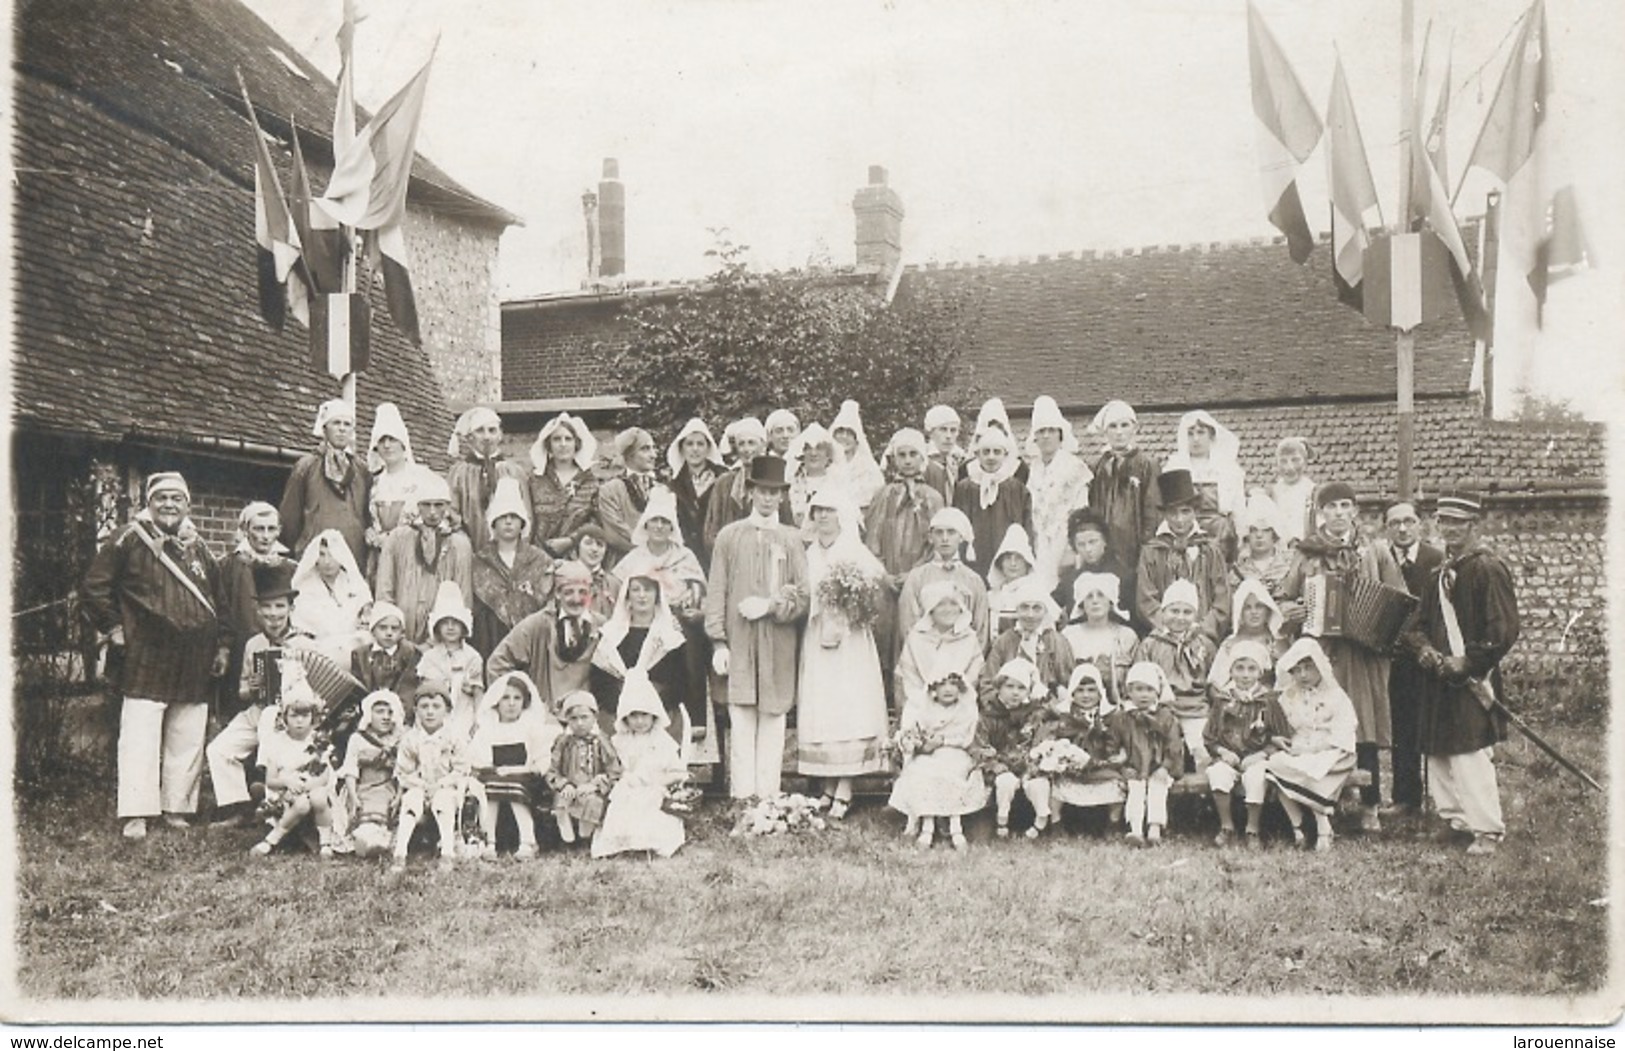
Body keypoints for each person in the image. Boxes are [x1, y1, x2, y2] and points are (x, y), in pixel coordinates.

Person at [82, 471, 230, 841]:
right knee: (140, 733)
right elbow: (94, 587)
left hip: (195, 655)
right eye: (161, 498)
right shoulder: (128, 540)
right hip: (146, 652)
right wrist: (114, 629)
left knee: (188, 731)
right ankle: (136, 812)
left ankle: (176, 807)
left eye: (176, 499)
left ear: (187, 505)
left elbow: (219, 600)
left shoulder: (198, 548)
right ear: (148, 503)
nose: (169, 505)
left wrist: (223, 644)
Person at [1279, 480, 1405, 832]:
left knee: (1363, 723)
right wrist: (1298, 611)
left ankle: (1370, 805)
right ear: (1320, 513)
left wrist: (1380, 626)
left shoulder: (1376, 551)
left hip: (1363, 653)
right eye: (1331, 507)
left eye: (1345, 506)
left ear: (1355, 512)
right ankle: (1323, 799)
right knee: (1321, 719)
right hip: (1323, 653)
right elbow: (1286, 598)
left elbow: (1400, 600)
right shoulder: (1307, 553)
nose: (1338, 514)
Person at [1403, 492, 1519, 856]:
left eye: (1459, 522)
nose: (1450, 529)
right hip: (1438, 677)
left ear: (1475, 525)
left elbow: (1503, 631)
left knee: (1470, 753)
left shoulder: (1487, 568)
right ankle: (1455, 820)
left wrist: (1468, 663)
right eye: (1444, 522)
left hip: (1471, 679)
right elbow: (1415, 625)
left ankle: (1486, 829)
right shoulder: (1438, 574)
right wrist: (1423, 650)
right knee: (1438, 751)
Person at [705, 455, 810, 800]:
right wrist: (718, 642)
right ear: (751, 492)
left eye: (774, 492)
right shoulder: (730, 537)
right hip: (739, 638)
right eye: (761, 491)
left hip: (778, 641)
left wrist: (771, 605)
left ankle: (768, 797)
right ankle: (743, 798)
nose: (767, 498)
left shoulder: (792, 539)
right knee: (742, 716)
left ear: (782, 496)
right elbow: (717, 588)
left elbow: (803, 595)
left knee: (773, 718)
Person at [797, 486, 889, 818]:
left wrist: (849, 606)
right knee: (823, 705)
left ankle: (847, 785)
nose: (822, 516)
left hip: (849, 644)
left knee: (849, 705)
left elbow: (876, 592)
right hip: (817, 639)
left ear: (842, 514)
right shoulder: (808, 553)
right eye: (817, 510)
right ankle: (828, 782)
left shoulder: (855, 550)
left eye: (829, 509)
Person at [205, 560, 314, 828]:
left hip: (293, 717)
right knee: (219, 749)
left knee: (269, 720)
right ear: (258, 610)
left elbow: (319, 691)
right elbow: (243, 692)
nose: (273, 614)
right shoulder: (254, 644)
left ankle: (270, 806)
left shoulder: (305, 643)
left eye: (280, 607)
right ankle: (239, 808)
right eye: (267, 607)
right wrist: (251, 687)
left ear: (291, 609)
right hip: (257, 710)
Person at [609, 488, 708, 732]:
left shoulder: (684, 556)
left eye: (665, 522)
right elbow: (616, 591)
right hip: (642, 622)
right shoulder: (635, 558)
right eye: (655, 521)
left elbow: (700, 592)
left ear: (672, 527)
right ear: (646, 524)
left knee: (690, 650)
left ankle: (692, 721)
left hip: (678, 621)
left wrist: (693, 609)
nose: (660, 527)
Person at [1264, 638, 1359, 852]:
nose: (1303, 675)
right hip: (1300, 748)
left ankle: (1322, 827)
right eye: (1296, 670)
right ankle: (1300, 827)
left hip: (1333, 751)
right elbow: (1280, 727)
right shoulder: (1289, 696)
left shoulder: (1336, 696)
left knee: (1313, 772)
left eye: (1308, 668)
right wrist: (1277, 739)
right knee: (1273, 766)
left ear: (1320, 667)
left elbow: (1343, 733)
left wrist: (1311, 750)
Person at [865, 427, 946, 678]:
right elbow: (872, 538)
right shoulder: (883, 495)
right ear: (894, 459)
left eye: (913, 454)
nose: (908, 460)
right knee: (883, 631)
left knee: (914, 631)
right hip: (886, 579)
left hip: (919, 576)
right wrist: (883, 573)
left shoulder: (933, 498)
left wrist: (915, 573)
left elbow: (937, 543)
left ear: (923, 458)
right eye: (902, 455)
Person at [1385, 499, 1446, 816]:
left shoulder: (1437, 559)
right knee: (1403, 727)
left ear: (1421, 525)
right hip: (1394, 658)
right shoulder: (1382, 560)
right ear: (1386, 528)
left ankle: (1442, 798)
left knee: (1435, 726)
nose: (1403, 528)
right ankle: (1406, 798)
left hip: (1428, 655)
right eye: (1395, 523)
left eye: (1408, 521)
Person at [488, 560, 603, 723]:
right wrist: (527, 705)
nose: (576, 599)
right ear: (557, 593)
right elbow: (497, 664)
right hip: (545, 720)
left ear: (591, 594)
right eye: (569, 592)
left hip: (585, 720)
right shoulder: (538, 624)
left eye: (583, 592)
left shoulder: (601, 627)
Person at [592, 670, 691, 859]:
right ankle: (622, 841)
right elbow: (613, 767)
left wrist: (658, 781)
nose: (639, 721)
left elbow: (678, 772)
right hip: (627, 785)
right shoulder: (620, 741)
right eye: (633, 715)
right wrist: (620, 778)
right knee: (622, 801)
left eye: (644, 715)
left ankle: (649, 841)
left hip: (655, 786)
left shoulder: (662, 740)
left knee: (649, 802)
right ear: (625, 717)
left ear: (654, 715)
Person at [888, 670, 987, 851]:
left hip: (956, 752)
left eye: (953, 684)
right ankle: (928, 825)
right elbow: (914, 734)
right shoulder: (925, 709)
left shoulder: (965, 710)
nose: (948, 689)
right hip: (930, 753)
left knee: (951, 772)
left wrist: (944, 741)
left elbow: (966, 738)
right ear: (933, 688)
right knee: (923, 772)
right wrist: (919, 744)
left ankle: (956, 827)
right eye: (942, 685)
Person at [590, 573, 691, 751]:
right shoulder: (610, 635)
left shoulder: (670, 637)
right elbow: (599, 681)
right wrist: (624, 708)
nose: (642, 595)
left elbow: (680, 683)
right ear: (627, 596)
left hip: (661, 714)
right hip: (617, 713)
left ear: (657, 595)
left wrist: (649, 709)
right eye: (635, 590)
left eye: (648, 589)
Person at [1204, 641, 1288, 849]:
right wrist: (1222, 751)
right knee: (1218, 774)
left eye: (1251, 669)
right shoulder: (1223, 700)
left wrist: (1262, 754)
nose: (1245, 674)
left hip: (1256, 757)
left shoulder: (1268, 700)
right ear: (1230, 670)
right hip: (1229, 756)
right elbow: (1209, 736)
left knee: (1256, 777)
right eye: (1239, 668)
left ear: (1260, 672)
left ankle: (1252, 829)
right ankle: (1227, 826)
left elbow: (1281, 736)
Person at [375, 473, 474, 644]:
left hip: (443, 639)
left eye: (439, 505)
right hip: (400, 635)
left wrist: (440, 639)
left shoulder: (459, 544)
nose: (433, 512)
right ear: (418, 506)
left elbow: (463, 597)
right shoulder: (397, 539)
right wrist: (394, 631)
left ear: (448, 506)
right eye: (426, 505)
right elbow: (385, 590)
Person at [216, 501, 294, 719]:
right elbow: (221, 608)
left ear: (279, 531)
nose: (265, 535)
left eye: (271, 529)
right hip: (240, 645)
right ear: (245, 530)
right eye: (259, 528)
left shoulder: (289, 567)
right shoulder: (229, 565)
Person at [469, 671, 558, 859]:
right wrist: (495, 771)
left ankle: (528, 841)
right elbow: (479, 761)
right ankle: (489, 841)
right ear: (496, 702)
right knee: (490, 789)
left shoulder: (531, 727)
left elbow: (541, 762)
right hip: (494, 777)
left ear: (524, 702)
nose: (511, 703)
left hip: (526, 780)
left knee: (513, 787)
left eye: (517, 698)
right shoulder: (488, 728)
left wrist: (516, 770)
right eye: (505, 698)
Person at [1136, 468, 1231, 641]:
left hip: (1202, 637)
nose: (1179, 519)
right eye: (1173, 512)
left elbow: (1222, 600)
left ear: (1195, 511)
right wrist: (1169, 629)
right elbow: (1146, 599)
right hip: (1164, 637)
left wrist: (1201, 630)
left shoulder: (1209, 550)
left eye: (1185, 511)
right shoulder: (1152, 551)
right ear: (1164, 514)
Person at [1132, 579, 1217, 771]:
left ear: (1196, 615)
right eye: (1174, 611)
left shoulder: (1203, 644)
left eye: (1187, 612)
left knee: (1200, 747)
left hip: (1196, 708)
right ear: (1163, 612)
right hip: (1161, 707)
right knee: (1162, 747)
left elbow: (1213, 680)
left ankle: (1203, 792)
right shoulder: (1151, 644)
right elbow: (1141, 676)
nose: (1180, 617)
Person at [390, 680, 474, 873]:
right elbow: (404, 771)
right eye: (424, 707)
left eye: (436, 706)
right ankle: (400, 852)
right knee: (411, 799)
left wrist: (440, 784)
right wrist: (421, 784)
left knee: (443, 801)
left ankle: (447, 852)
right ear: (416, 710)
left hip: (447, 789)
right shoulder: (411, 739)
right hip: (420, 787)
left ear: (447, 710)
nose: (430, 712)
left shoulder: (454, 736)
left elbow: (461, 769)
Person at [471, 476, 556, 657]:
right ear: (494, 523)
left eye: (513, 517)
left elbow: (548, 601)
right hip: (491, 637)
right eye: (503, 517)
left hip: (532, 638)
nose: (508, 522)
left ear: (522, 523)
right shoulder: (480, 561)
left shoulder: (539, 559)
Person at [249, 684, 336, 858]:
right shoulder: (277, 742)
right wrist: (287, 782)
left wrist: (312, 784)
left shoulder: (318, 741)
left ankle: (325, 842)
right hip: (284, 793)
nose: (299, 721)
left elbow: (325, 774)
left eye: (305, 716)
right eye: (294, 715)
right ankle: (272, 840)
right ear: (284, 718)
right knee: (302, 804)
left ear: (313, 717)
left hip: (313, 788)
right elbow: (271, 780)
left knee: (318, 797)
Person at [280, 399, 371, 566]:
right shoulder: (305, 467)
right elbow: (289, 520)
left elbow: (367, 516)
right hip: (315, 557)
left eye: (347, 424)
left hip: (353, 558)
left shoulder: (362, 470)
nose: (342, 429)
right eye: (336, 423)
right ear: (325, 428)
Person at [976, 657, 1053, 840]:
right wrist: (996, 765)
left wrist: (1033, 765)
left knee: (1038, 784)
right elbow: (981, 745)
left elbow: (1040, 741)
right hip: (999, 764)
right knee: (1006, 782)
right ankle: (1002, 821)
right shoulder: (988, 714)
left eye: (1021, 688)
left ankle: (1040, 822)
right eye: (1009, 686)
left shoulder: (1033, 714)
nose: (1015, 693)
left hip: (1027, 763)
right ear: (999, 687)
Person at [896, 507, 991, 651]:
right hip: (923, 658)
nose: (945, 538)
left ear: (961, 537)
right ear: (931, 537)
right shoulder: (917, 577)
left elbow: (981, 629)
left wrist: (966, 661)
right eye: (939, 532)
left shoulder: (973, 580)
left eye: (951, 532)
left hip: (963, 659)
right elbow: (908, 624)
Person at [1047, 663, 1130, 826]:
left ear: (1100, 693)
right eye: (1080, 690)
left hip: (1101, 764)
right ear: (1072, 692)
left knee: (1116, 784)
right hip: (1072, 767)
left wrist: (1117, 754)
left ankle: (1113, 824)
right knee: (1056, 785)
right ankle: (1056, 822)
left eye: (1091, 690)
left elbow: (1116, 742)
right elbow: (1060, 741)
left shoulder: (1111, 716)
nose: (1086, 695)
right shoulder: (1064, 715)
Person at [1086, 399, 1161, 575]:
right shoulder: (1097, 467)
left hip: (1133, 549)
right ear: (1105, 431)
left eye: (1124, 425)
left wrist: (1146, 550)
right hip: (1103, 548)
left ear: (1134, 428)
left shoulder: (1147, 465)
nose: (1119, 432)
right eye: (1113, 426)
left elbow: (1153, 512)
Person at [1025, 395, 1093, 585]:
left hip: (1065, 542)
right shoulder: (1033, 469)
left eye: (1051, 430)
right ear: (1035, 437)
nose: (1046, 436)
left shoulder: (1075, 468)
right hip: (1038, 541)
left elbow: (1081, 512)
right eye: (1041, 431)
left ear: (1060, 434)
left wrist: (1072, 548)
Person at [1163, 409, 1246, 562]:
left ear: (1211, 436)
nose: (1196, 439)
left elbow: (1239, 509)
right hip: (1185, 533)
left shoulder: (1228, 468)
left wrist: (1243, 541)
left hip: (1220, 535)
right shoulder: (1174, 466)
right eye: (1190, 434)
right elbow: (1167, 510)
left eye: (1201, 433)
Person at [1118, 661, 1184, 847]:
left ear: (1157, 692)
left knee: (1158, 788)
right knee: (1135, 789)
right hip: (1135, 766)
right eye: (1138, 689)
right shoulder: (1123, 717)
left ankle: (1155, 827)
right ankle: (1135, 829)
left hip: (1160, 766)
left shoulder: (1165, 716)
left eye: (1149, 689)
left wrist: (1166, 767)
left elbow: (1174, 745)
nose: (1144, 694)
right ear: (1129, 692)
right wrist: (1122, 766)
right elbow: (1114, 744)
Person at [446, 406, 528, 554]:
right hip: (469, 551)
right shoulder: (459, 473)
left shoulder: (514, 472)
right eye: (480, 431)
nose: (486, 437)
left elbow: (526, 514)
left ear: (500, 435)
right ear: (470, 436)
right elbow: (452, 513)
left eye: (492, 430)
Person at [954, 426, 1032, 579]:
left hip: (1007, 561)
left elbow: (1026, 526)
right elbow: (957, 525)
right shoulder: (964, 488)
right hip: (973, 559)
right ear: (977, 455)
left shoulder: (1017, 489)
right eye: (986, 452)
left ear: (1005, 455)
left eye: (997, 452)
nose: (991, 457)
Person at [981, 576, 1075, 705]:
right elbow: (988, 685)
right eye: (1024, 607)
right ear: (1017, 610)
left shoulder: (1058, 642)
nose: (1030, 615)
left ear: (1045, 611)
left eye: (1036, 608)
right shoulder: (1004, 642)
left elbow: (1069, 683)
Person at [703, 417, 792, 551]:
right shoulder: (724, 483)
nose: (746, 449)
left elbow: (788, 527)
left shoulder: (776, 480)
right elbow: (711, 531)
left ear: (763, 445)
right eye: (741, 444)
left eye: (751, 443)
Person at [335, 689, 405, 859]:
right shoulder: (358, 739)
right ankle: (365, 841)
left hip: (388, 787)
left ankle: (380, 841)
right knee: (363, 812)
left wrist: (399, 795)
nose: (386, 717)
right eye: (379, 712)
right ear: (368, 715)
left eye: (390, 712)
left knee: (386, 808)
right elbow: (350, 770)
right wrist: (353, 795)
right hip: (361, 786)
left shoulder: (400, 739)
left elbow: (403, 771)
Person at [365, 402, 430, 580]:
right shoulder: (373, 482)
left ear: (403, 444)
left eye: (392, 439)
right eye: (382, 440)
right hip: (380, 561)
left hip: (412, 559)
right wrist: (370, 533)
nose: (387, 445)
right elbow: (367, 520)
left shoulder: (421, 478)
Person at [288, 528, 371, 667]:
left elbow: (365, 620)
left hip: (352, 647)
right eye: (322, 555)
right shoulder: (304, 587)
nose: (327, 561)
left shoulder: (355, 584)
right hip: (318, 650)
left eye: (332, 555)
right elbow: (301, 625)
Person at [547, 691, 621, 845]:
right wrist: (564, 784)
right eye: (573, 718)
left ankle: (584, 838)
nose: (579, 723)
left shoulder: (601, 741)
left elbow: (613, 770)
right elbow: (552, 770)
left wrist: (595, 785)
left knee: (592, 802)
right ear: (567, 719)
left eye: (584, 717)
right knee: (563, 800)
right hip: (570, 786)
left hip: (591, 787)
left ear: (594, 717)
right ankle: (567, 837)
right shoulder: (563, 742)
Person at [1059, 572, 1141, 708]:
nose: (1095, 601)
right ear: (1082, 604)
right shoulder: (1069, 635)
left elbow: (1137, 679)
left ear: (1110, 602)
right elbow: (1061, 677)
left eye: (1101, 595)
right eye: (1089, 596)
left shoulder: (1126, 636)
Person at [416, 581, 486, 738]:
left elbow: (477, 693)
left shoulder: (472, 657)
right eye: (445, 623)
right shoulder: (429, 657)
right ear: (437, 627)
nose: (450, 627)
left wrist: (478, 719)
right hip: (435, 714)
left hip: (463, 712)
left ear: (463, 626)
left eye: (455, 623)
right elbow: (423, 692)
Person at [528, 412, 601, 557]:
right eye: (557, 439)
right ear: (548, 445)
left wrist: (570, 540)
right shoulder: (535, 480)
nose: (563, 444)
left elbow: (596, 524)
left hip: (578, 557)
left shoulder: (589, 481)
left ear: (577, 444)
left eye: (568, 439)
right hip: (539, 556)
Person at [1050, 509, 1137, 628]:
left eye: (1093, 542)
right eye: (1081, 544)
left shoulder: (1124, 577)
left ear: (1105, 541)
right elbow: (1049, 605)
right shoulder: (1070, 579)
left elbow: (1134, 619)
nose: (1088, 549)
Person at [1208, 578, 1288, 690]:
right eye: (1247, 608)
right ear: (1240, 612)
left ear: (1267, 610)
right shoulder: (1230, 643)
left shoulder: (1277, 641)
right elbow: (1216, 683)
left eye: (1259, 606)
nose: (1254, 612)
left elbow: (1288, 682)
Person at [666, 417, 724, 571]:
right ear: (682, 448)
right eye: (689, 444)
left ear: (708, 448)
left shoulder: (723, 479)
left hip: (717, 554)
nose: (695, 449)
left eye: (700, 444)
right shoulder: (674, 485)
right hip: (686, 557)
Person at [350, 601, 421, 723]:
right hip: (369, 712)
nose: (389, 633)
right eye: (382, 627)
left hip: (399, 712)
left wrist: (396, 714)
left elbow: (408, 688)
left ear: (402, 632)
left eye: (394, 628)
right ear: (373, 630)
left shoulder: (410, 653)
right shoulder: (361, 654)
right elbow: (357, 689)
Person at [597, 426, 661, 559]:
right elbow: (614, 534)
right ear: (629, 454)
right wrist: (647, 551)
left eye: (653, 448)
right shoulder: (610, 490)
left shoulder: (662, 487)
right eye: (645, 449)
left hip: (661, 560)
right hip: (623, 561)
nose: (653, 455)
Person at [1230, 490, 1293, 597]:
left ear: (1274, 534)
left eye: (1265, 530)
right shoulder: (1238, 570)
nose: (1259, 535)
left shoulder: (1291, 564)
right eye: (1254, 530)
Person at [828, 399, 885, 510]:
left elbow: (876, 497)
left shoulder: (868, 467)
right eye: (840, 431)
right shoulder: (826, 462)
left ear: (857, 438)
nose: (844, 437)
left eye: (850, 433)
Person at [986, 523, 1041, 636]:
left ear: (1027, 562)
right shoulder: (991, 597)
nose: (1013, 564)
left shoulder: (1037, 593)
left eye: (1018, 558)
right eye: (1008, 558)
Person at [1266, 436, 1319, 550]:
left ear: (1305, 463)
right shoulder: (1272, 493)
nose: (1289, 467)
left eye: (1295, 460)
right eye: (1283, 461)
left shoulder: (1312, 491)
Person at [786, 422, 838, 529]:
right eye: (808, 448)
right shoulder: (790, 482)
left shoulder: (838, 483)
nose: (813, 453)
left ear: (828, 455)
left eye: (819, 448)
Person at [569, 524, 622, 623]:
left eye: (600, 544)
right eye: (588, 543)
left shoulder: (615, 584)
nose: (594, 549)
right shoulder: (564, 577)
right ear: (577, 547)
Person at [922, 404, 967, 493]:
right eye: (943, 430)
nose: (948, 436)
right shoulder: (922, 459)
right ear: (931, 432)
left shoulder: (962, 459)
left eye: (953, 430)